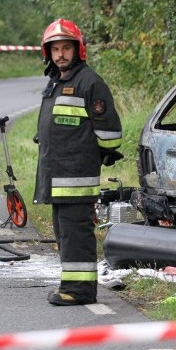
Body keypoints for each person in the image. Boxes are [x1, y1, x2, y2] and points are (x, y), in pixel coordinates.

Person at [34, 18, 123, 306]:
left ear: (78, 49)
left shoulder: (89, 82)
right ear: (48, 53)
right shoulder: (57, 82)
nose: (61, 54)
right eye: (55, 49)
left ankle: (81, 291)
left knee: (76, 234)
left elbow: (110, 134)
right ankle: (71, 285)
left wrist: (90, 150)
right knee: (65, 234)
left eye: (66, 48)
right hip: (57, 175)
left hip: (75, 176)